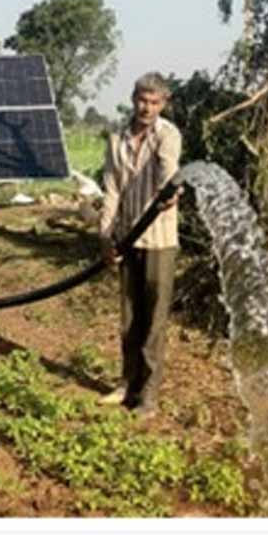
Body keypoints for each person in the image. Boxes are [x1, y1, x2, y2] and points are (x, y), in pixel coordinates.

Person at [97, 72, 182, 419]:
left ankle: (148, 395)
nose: (147, 108)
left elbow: (168, 170)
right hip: (126, 238)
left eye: (154, 102)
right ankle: (126, 384)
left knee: (153, 321)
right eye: (142, 101)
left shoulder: (167, 134)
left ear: (163, 104)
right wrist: (105, 236)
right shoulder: (117, 138)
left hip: (159, 240)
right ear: (133, 100)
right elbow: (112, 189)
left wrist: (169, 191)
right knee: (129, 317)